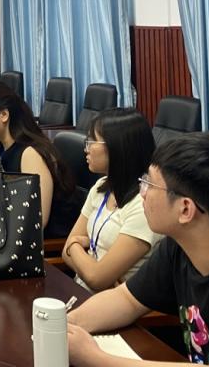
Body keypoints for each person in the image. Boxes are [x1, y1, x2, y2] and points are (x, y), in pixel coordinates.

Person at [67, 133, 209, 367]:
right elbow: (126, 300)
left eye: (149, 184)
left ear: (185, 210)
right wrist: (64, 325)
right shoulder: (179, 247)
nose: (142, 192)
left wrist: (94, 358)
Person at [62, 109, 158, 292]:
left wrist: (74, 245)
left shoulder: (144, 204)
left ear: (118, 147)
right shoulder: (102, 186)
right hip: (81, 291)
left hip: (113, 304)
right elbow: (66, 253)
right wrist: (81, 256)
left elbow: (96, 278)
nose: (86, 149)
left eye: (92, 141)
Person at [0, 80, 79, 238]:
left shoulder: (30, 154)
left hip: (45, 244)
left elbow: (37, 220)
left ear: (4, 115)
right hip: (11, 232)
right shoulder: (0, 146)